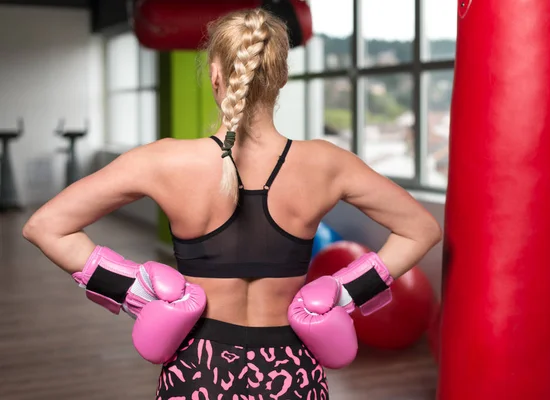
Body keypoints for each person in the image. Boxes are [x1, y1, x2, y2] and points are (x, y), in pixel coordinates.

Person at [22, 8, 442, 400]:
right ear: (281, 78)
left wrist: (135, 290)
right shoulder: (327, 164)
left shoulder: (163, 161)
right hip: (293, 374)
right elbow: (421, 229)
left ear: (216, 73)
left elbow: (45, 226)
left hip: (197, 372)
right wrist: (345, 293)